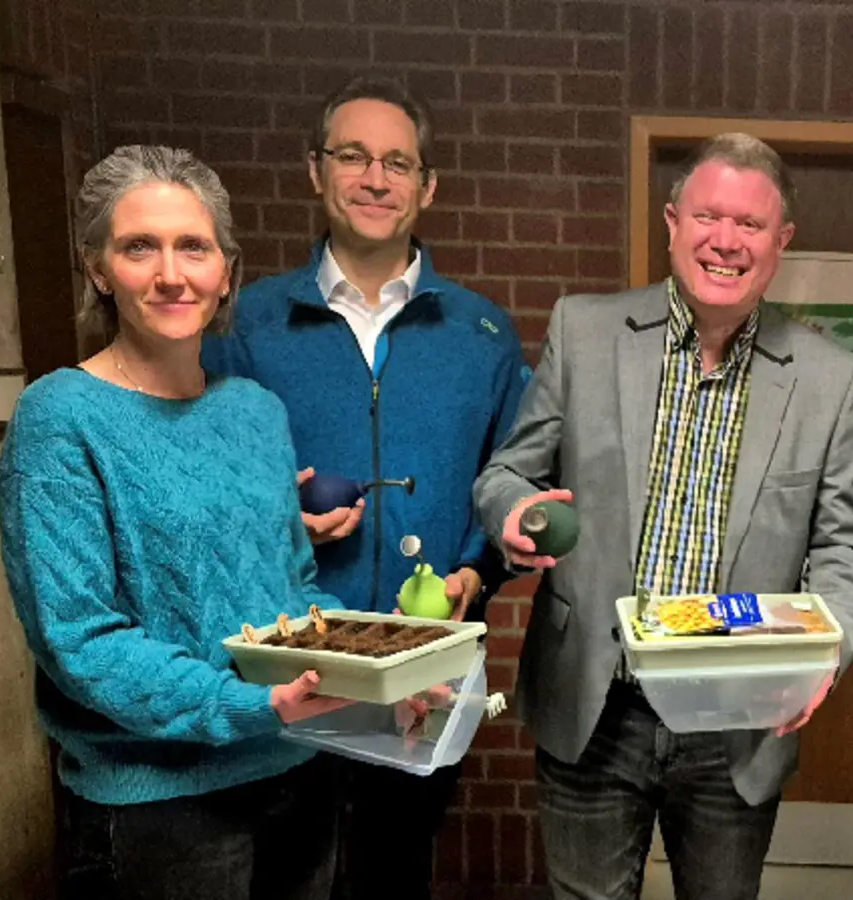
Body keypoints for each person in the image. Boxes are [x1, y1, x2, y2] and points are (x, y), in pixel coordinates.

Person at [472, 132, 853, 900]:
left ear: (781, 241)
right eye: (708, 217)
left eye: (750, 225)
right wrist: (516, 512)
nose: (726, 241)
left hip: (736, 718)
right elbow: (509, 471)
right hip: (596, 703)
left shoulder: (829, 379)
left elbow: (844, 546)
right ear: (672, 222)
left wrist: (828, 648)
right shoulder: (585, 333)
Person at [200, 76, 527, 900]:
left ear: (427, 185)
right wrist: (284, 523)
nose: (375, 179)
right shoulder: (249, 326)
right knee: (285, 877)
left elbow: (516, 482)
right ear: (316, 170)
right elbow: (207, 491)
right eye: (353, 156)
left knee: (394, 875)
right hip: (292, 673)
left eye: (397, 162)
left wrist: (478, 572)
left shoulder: (481, 334)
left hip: (426, 671)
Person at [0, 145, 352, 899]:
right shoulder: (61, 417)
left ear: (225, 269)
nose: (170, 273)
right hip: (162, 810)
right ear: (98, 268)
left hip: (295, 770)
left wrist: (389, 669)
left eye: (193, 246)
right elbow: (81, 638)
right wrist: (247, 704)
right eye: (138, 247)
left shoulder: (256, 412)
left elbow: (293, 588)